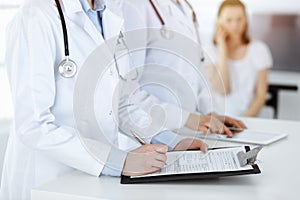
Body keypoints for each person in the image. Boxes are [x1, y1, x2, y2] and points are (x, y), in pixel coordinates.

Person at [0, 0, 208, 199]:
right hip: (47, 179)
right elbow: (34, 125)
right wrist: (118, 161)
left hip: (95, 180)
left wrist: (171, 142)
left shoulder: (110, 14)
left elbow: (121, 102)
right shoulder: (35, 16)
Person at [123, 0, 247, 139]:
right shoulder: (135, 6)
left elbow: (197, 68)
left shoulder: (185, 7)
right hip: (152, 134)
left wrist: (210, 113)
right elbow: (127, 91)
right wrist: (185, 118)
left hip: (190, 132)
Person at [204, 0, 273, 117]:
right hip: (217, 121)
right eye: (229, 20)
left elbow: (261, 96)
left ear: (246, 20)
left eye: (239, 19)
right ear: (219, 21)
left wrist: (243, 122)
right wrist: (222, 49)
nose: (235, 25)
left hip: (249, 119)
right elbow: (223, 89)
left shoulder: (259, 49)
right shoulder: (209, 51)